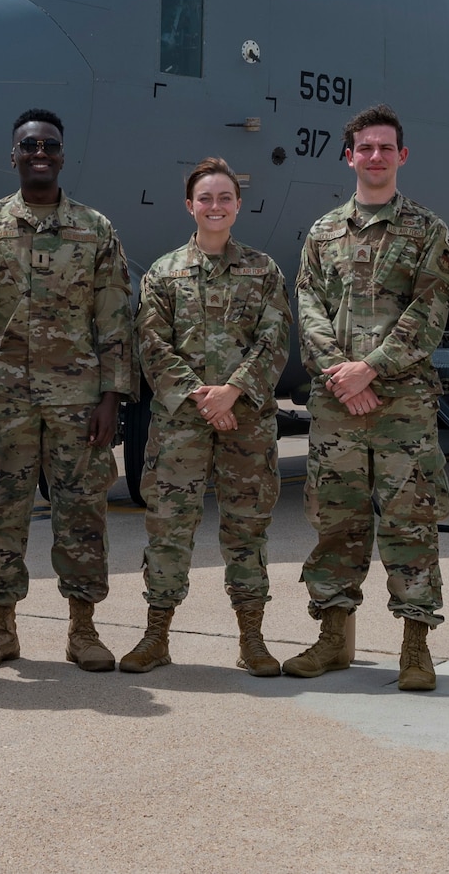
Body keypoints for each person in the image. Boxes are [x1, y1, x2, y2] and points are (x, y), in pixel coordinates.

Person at [0, 109, 136, 673]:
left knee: (82, 514)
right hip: (5, 401)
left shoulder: (94, 228)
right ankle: (1, 629)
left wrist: (111, 396)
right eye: (29, 146)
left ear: (62, 154)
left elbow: (115, 318)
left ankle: (83, 631)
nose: (39, 153)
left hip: (78, 403)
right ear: (15, 156)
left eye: (49, 144)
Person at [286, 105, 449, 692]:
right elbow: (306, 307)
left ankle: (415, 647)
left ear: (401, 156)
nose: (375, 156)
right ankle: (333, 639)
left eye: (386, 148)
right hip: (338, 405)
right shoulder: (324, 232)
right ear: (349, 156)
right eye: (365, 148)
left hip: (402, 406)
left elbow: (431, 311)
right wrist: (341, 374)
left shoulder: (428, 232)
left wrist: (371, 371)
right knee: (336, 523)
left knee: (410, 525)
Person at [120, 158, 292, 677]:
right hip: (182, 427)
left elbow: (275, 339)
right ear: (189, 206)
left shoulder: (264, 271)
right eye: (205, 198)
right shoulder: (164, 273)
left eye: (224, 198)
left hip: (246, 423)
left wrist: (234, 391)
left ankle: (252, 639)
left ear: (238, 205)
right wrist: (201, 396)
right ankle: (156, 636)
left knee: (247, 531)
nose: (214, 207)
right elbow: (151, 344)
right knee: (169, 530)